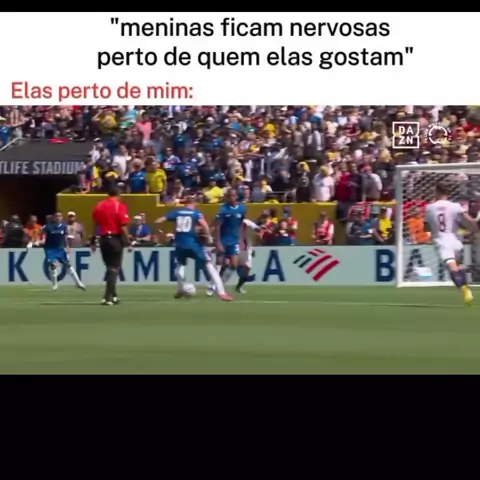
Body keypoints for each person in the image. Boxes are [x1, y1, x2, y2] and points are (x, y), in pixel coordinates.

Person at [155, 197, 232, 301]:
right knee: (209, 265)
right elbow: (204, 225)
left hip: (180, 244)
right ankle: (222, 293)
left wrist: (160, 231)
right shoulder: (196, 213)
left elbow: (158, 221)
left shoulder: (177, 212)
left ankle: (180, 289)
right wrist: (209, 236)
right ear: (194, 203)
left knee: (180, 266)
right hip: (193, 244)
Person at [425, 181, 478, 305]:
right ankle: (466, 286)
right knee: (458, 266)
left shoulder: (429, 207)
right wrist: (475, 230)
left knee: (452, 269)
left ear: (436, 191)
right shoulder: (456, 206)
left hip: (442, 241)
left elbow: (427, 227)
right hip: (456, 240)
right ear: (448, 193)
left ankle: (465, 290)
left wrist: (432, 232)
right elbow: (469, 220)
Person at [91, 184, 131, 306]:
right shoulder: (120, 206)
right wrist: (128, 241)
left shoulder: (99, 205)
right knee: (114, 268)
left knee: (110, 268)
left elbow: (95, 224)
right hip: (115, 239)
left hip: (103, 239)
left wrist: (93, 240)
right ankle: (107, 297)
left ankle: (113, 296)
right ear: (118, 194)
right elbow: (123, 226)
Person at [41, 212, 85, 291]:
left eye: (60, 216)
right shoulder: (48, 227)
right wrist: (42, 240)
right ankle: (55, 285)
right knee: (53, 265)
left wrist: (68, 246)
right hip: (50, 249)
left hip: (60, 249)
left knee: (68, 265)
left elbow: (66, 237)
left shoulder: (64, 226)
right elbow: (42, 234)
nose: (58, 217)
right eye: (56, 216)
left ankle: (78, 283)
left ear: (62, 217)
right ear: (54, 217)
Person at [214, 189, 247, 287]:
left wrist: (241, 239)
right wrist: (218, 242)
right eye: (229, 196)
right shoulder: (223, 209)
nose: (230, 198)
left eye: (232, 195)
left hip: (234, 240)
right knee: (219, 263)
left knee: (234, 265)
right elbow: (217, 226)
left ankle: (220, 284)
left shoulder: (242, 209)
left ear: (236, 196)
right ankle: (212, 286)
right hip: (223, 239)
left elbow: (241, 225)